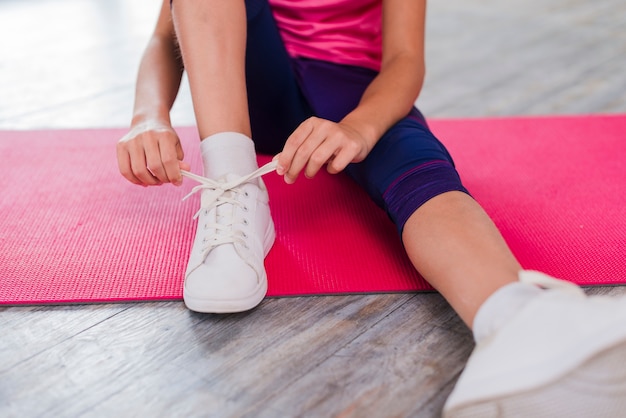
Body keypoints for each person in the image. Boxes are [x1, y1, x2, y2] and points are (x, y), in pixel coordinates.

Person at [116, 0, 626, 416]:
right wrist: (146, 116)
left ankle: (516, 317)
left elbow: (405, 59)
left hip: (356, 90)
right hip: (246, 92)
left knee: (421, 171)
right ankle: (232, 181)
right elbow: (166, 37)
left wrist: (362, 126)